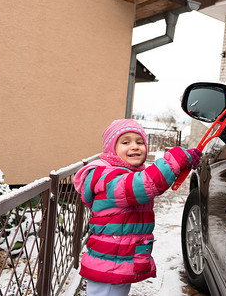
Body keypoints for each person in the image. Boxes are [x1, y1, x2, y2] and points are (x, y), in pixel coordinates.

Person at [73, 119, 202, 296]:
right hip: (110, 264)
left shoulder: (128, 174)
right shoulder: (109, 178)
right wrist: (176, 160)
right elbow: (144, 185)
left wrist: (179, 166)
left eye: (139, 142)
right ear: (112, 149)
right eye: (125, 142)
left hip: (118, 260)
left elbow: (150, 183)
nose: (134, 146)